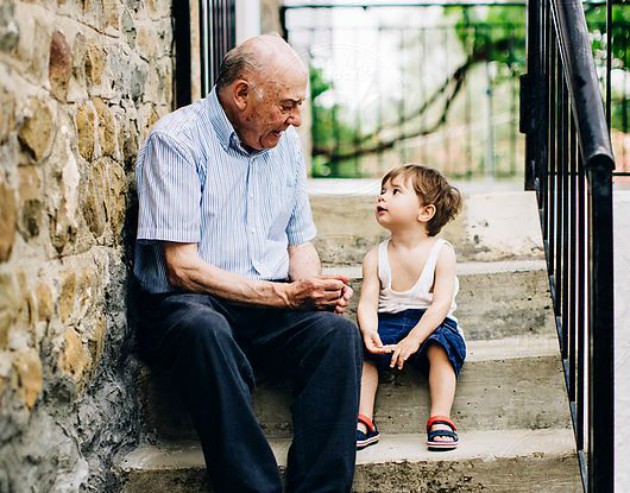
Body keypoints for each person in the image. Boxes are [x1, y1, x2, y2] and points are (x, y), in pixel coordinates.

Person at [132, 34, 362, 493]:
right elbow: (181, 268)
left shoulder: (285, 146)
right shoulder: (176, 141)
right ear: (242, 95)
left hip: (268, 305)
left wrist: (315, 288)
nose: (296, 119)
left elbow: (299, 242)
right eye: (288, 105)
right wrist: (284, 295)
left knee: (338, 334)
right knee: (205, 330)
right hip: (192, 305)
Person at [355, 164, 466, 452]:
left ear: (425, 212)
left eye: (395, 192)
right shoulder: (375, 257)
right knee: (361, 351)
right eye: (382, 191)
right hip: (387, 321)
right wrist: (369, 330)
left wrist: (415, 338)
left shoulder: (442, 253)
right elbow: (367, 301)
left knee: (442, 346)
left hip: (431, 323)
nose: (382, 197)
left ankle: (440, 417)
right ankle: (363, 418)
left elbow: (441, 304)